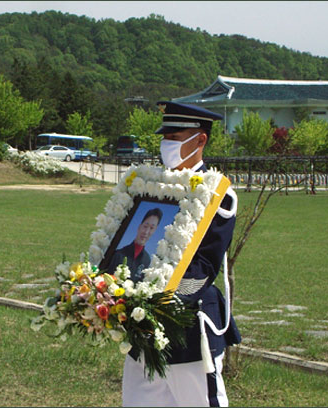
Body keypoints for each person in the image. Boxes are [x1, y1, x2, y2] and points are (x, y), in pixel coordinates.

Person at [122, 101, 241, 407]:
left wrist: (155, 300)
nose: (166, 145)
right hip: (142, 334)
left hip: (188, 333)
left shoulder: (217, 194)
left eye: (174, 138)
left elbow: (203, 268)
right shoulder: (150, 188)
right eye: (165, 138)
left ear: (200, 140)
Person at [108, 208, 163, 281]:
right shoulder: (118, 254)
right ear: (139, 226)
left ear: (154, 231)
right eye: (145, 226)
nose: (146, 232)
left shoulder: (146, 260)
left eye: (151, 228)